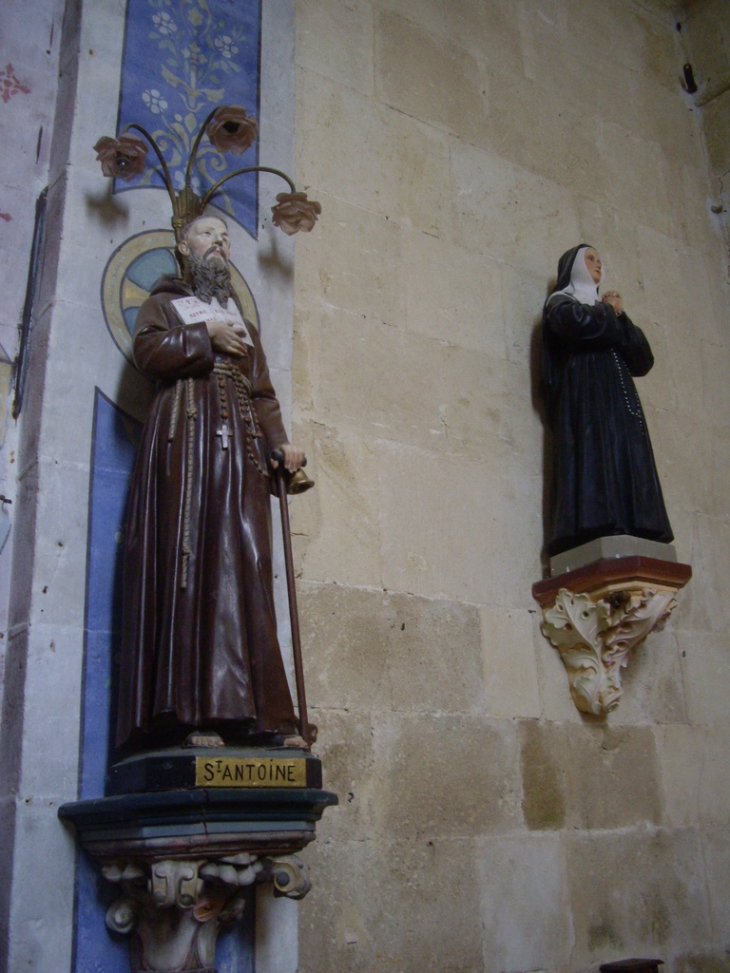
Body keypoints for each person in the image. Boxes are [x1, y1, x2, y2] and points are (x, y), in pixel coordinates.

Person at [116, 214, 306, 755]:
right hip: (188, 440)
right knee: (192, 563)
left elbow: (262, 391)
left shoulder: (240, 319)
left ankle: (260, 713)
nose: (219, 242)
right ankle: (190, 712)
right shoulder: (166, 302)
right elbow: (148, 354)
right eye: (207, 234)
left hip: (241, 446)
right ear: (184, 248)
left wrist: (280, 444)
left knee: (245, 563)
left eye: (225, 237)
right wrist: (203, 336)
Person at [541, 243, 673, 559]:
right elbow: (580, 326)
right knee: (595, 457)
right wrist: (608, 311)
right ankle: (596, 526)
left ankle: (634, 523)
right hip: (586, 399)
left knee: (626, 456)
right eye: (590, 259)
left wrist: (620, 315)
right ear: (573, 267)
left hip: (620, 404)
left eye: (600, 260)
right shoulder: (561, 302)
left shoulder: (607, 313)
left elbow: (642, 359)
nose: (598, 264)